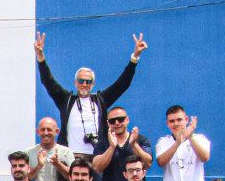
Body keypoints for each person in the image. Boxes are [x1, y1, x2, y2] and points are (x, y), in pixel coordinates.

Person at [36, 30, 144, 162]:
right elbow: (48, 81)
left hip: (96, 157)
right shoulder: (66, 100)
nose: (84, 84)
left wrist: (135, 58)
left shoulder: (100, 100)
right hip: (70, 156)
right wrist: (40, 57)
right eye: (81, 81)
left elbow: (122, 84)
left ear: (93, 84)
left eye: (88, 81)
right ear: (75, 83)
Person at [154, 106, 211, 181]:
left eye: (179, 120)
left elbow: (205, 157)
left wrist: (189, 136)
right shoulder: (163, 142)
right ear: (167, 124)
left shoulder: (200, 138)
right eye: (171, 121)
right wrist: (177, 142)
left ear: (186, 120)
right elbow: (160, 162)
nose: (176, 124)